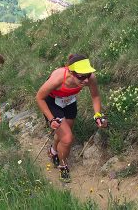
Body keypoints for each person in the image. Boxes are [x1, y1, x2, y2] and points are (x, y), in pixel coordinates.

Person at [36, 54, 107, 182]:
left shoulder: (90, 77)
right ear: (71, 72)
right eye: (81, 76)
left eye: (88, 75)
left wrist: (97, 115)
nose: (85, 80)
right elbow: (39, 97)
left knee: (63, 134)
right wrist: (51, 119)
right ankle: (63, 166)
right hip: (52, 103)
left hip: (69, 102)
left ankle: (52, 151)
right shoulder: (58, 78)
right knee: (68, 138)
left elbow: (95, 96)